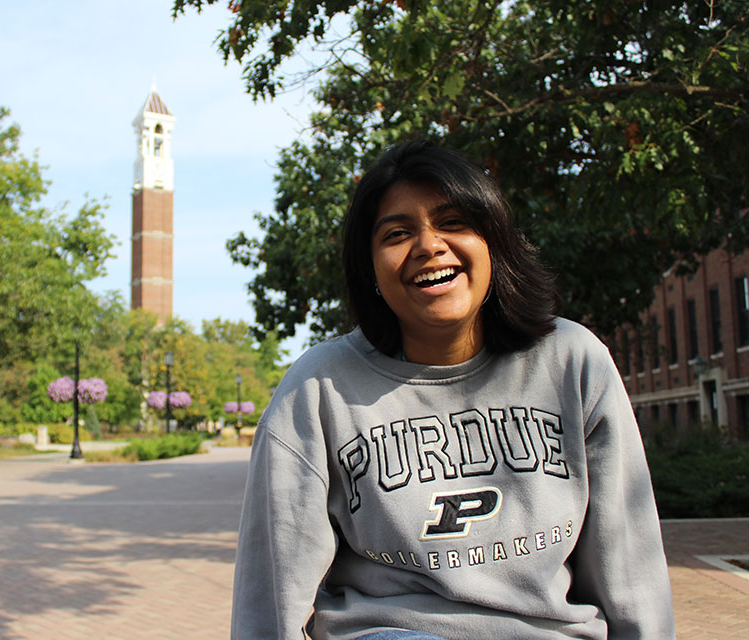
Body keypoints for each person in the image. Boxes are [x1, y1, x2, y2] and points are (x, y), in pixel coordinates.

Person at [230, 141, 675, 639]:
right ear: (372, 269)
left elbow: (630, 562)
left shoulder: (571, 361)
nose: (428, 245)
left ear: (493, 242)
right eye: (397, 233)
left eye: (453, 222)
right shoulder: (317, 389)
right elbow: (270, 590)